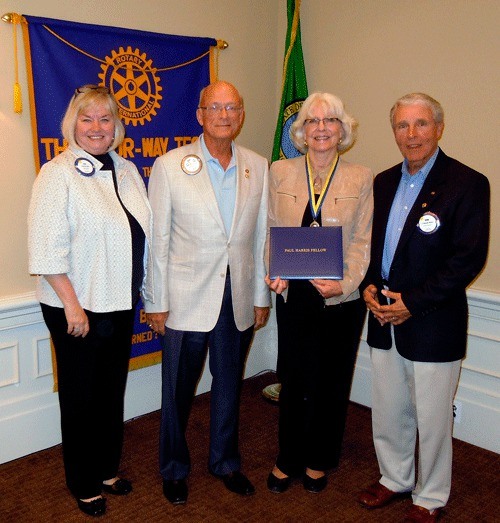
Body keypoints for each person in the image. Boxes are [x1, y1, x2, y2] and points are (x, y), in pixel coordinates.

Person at [358, 93, 490, 522]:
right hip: (383, 317)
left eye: (420, 124)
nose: (411, 134)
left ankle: (430, 495)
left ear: (439, 127)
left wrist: (411, 304)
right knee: (389, 408)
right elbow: (374, 248)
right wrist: (369, 288)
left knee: (433, 418)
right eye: (402, 125)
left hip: (432, 320)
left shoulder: (467, 183)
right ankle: (394, 478)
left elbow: (466, 259)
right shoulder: (382, 181)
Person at [28, 85, 153, 516]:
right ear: (72, 125)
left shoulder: (127, 169)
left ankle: (104, 469)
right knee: (81, 398)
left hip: (118, 302)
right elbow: (46, 249)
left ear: (117, 126)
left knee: (109, 392)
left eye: (105, 119)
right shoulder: (57, 173)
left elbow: (142, 236)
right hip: (76, 305)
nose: (97, 127)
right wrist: (73, 306)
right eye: (88, 119)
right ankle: (82, 481)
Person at [144, 80, 270, 505]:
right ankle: (174, 467)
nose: (224, 114)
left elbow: (259, 239)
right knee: (178, 390)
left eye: (232, 107)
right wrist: (156, 301)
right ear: (200, 115)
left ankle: (225, 462)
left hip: (235, 298)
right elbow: (157, 240)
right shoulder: (170, 165)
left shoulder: (258, 166)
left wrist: (259, 297)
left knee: (229, 386)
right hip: (184, 300)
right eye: (214, 107)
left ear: (241, 115)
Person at [265, 92, 373, 494]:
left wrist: (345, 284)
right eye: (313, 121)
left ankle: (319, 459)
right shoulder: (280, 171)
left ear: (342, 130)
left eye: (330, 121)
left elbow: (363, 241)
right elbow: (271, 227)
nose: (321, 128)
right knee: (293, 378)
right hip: (294, 293)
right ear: (301, 131)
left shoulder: (361, 177)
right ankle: (288, 457)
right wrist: (272, 271)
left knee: (331, 380)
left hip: (340, 298)